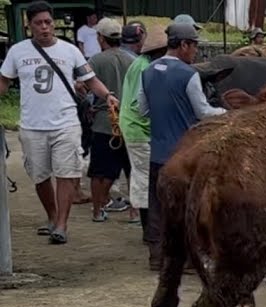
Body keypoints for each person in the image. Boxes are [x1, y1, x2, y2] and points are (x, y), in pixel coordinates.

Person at [0, 1, 118, 245]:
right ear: (29, 26)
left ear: (53, 23)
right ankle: (52, 216)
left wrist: (107, 96)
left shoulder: (70, 51)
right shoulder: (17, 51)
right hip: (32, 124)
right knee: (40, 176)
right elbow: (4, 81)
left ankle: (62, 224)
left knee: (65, 173)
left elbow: (91, 79)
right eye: (38, 23)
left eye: (48, 22)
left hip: (65, 123)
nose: (44, 27)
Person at [138, 22, 226, 270]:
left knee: (157, 205)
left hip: (157, 152)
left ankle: (156, 256)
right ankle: (187, 258)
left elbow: (142, 109)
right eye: (194, 45)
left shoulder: (148, 71)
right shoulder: (189, 75)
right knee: (188, 206)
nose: (195, 51)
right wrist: (226, 113)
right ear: (184, 45)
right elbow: (202, 111)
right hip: (185, 154)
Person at [120, 25, 165, 246]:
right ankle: (151, 233)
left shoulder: (141, 63)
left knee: (143, 178)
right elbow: (140, 104)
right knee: (147, 180)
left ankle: (150, 231)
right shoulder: (146, 68)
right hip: (139, 128)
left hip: (134, 127)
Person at [86, 18, 133, 223]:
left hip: (105, 122)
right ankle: (134, 213)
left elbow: (81, 86)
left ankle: (98, 211)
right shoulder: (132, 59)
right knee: (132, 171)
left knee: (99, 172)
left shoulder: (96, 60)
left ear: (100, 38)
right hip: (130, 122)